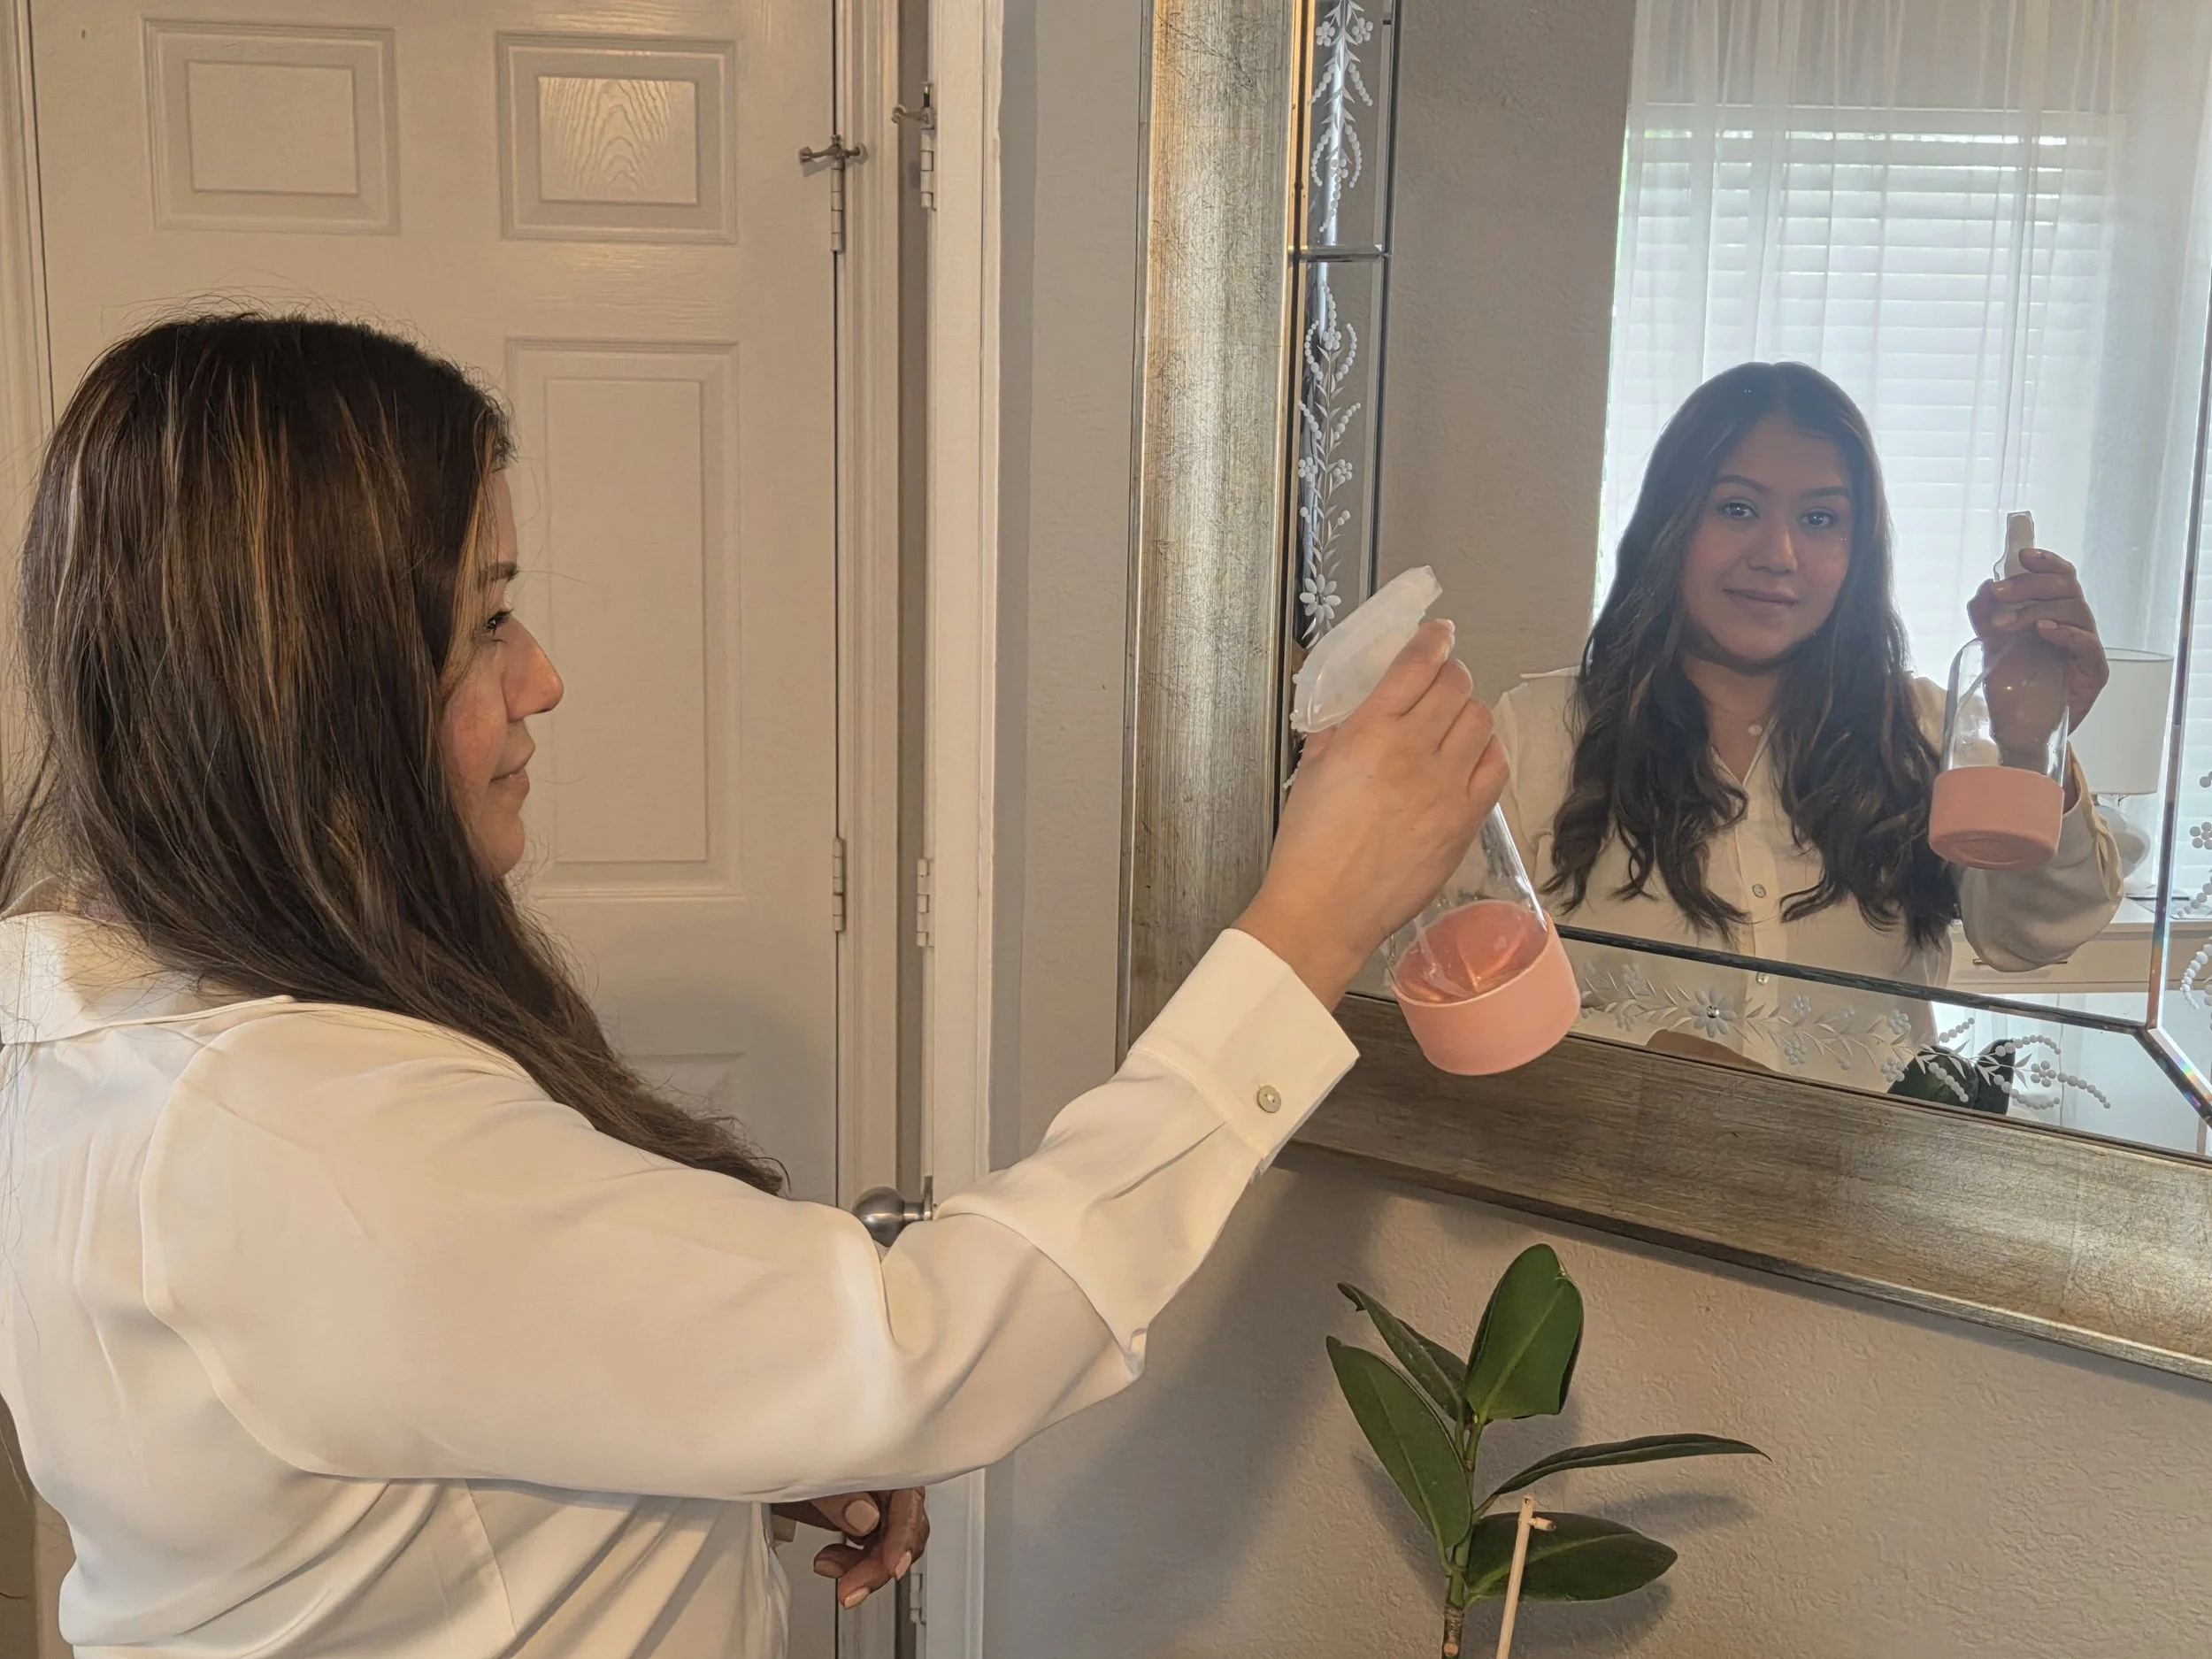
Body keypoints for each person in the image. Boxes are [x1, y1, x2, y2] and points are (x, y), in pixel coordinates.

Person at [0, 315, 1504, 1658]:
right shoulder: (311, 1139)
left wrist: (715, 1435)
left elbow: (395, 1410)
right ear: (313, 705)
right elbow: (930, 1343)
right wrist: (1310, 923)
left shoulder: (84, 1023)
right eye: (487, 619)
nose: (545, 678)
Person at [1492, 361, 2123, 1080]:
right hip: (1595, 1178)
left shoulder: (1923, 730)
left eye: (1820, 519)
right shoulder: (1538, 733)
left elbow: (2032, 934)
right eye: (1736, 508)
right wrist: (1645, 1056)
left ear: (1859, 551)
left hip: (1865, 1182)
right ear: (1671, 521)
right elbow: (1444, 984)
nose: (1777, 555)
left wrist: (2030, 741)